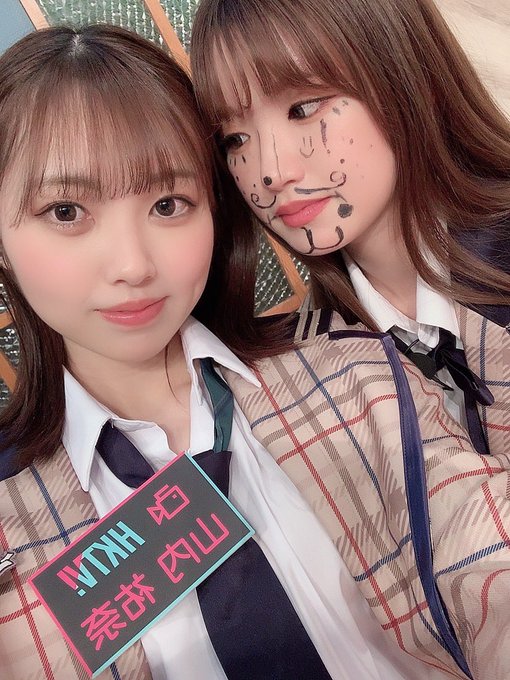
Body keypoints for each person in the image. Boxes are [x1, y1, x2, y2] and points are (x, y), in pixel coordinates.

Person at [0, 23, 462, 680]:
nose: (133, 266)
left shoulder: (355, 372)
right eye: (67, 212)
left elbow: (483, 557)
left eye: (169, 204)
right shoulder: (9, 519)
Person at [190, 0, 510, 678]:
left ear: (398, 67)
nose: (269, 169)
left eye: (303, 107)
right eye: (234, 139)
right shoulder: (310, 367)